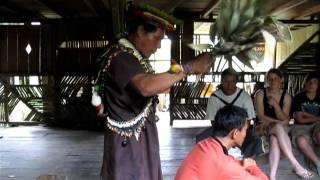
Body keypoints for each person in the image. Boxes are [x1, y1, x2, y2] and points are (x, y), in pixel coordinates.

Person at [94, 2, 214, 180]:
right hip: (128, 146)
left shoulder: (134, 58)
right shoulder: (121, 57)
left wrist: (176, 72)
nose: (158, 46)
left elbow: (158, 87)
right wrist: (187, 67)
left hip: (139, 141)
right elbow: (146, 87)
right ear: (141, 31)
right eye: (157, 38)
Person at [175, 105, 268, 180]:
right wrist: (253, 167)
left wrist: (244, 164)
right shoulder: (223, 163)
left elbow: (231, 164)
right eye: (245, 130)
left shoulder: (204, 145)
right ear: (235, 133)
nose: (246, 134)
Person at [254, 68, 313, 180]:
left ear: (281, 80)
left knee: (274, 139)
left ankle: (272, 176)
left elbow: (284, 117)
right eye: (270, 79)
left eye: (276, 79)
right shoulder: (260, 94)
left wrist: (276, 105)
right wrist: (280, 123)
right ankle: (295, 164)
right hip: (262, 127)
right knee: (278, 127)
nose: (273, 81)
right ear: (267, 80)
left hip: (278, 129)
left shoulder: (286, 96)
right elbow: (261, 116)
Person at [198, 68, 263, 158]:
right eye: (226, 81)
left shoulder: (244, 96)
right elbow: (213, 121)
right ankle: (211, 161)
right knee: (202, 138)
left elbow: (248, 121)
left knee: (255, 140)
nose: (229, 85)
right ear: (221, 81)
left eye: (232, 81)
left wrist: (239, 133)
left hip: (241, 130)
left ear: (236, 82)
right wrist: (225, 134)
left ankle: (248, 162)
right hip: (220, 130)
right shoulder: (215, 97)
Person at [291, 72, 320, 176]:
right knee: (301, 140)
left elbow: (303, 117)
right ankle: (318, 163)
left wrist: (305, 114)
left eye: (315, 82)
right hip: (301, 126)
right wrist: (317, 118)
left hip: (317, 126)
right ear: (305, 84)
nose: (311, 84)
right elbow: (300, 119)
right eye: (309, 82)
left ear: (318, 85)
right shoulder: (298, 98)